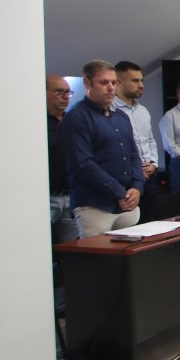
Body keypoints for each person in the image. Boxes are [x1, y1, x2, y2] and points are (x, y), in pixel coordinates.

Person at [60, 60, 143, 236]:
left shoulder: (121, 116)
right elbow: (84, 164)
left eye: (114, 83)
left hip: (127, 205)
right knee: (99, 261)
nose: (111, 88)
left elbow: (134, 155)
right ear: (87, 83)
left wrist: (137, 187)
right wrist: (120, 192)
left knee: (130, 261)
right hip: (95, 206)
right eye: (104, 83)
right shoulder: (76, 117)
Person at [113, 61, 160, 202]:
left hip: (149, 175)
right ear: (119, 82)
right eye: (135, 81)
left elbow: (150, 140)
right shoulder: (110, 110)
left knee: (151, 219)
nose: (141, 85)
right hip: (128, 179)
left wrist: (154, 164)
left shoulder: (143, 111)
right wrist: (135, 170)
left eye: (141, 80)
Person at [46, 75, 80, 242]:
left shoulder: (72, 121)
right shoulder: (36, 122)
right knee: (40, 244)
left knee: (73, 248)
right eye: (59, 92)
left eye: (68, 92)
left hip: (71, 195)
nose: (65, 97)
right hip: (47, 197)